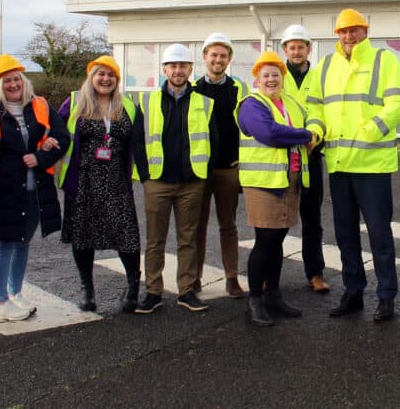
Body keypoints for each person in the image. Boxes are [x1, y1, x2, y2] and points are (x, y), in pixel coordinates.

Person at [304, 8, 400, 322]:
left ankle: (386, 296)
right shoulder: (325, 66)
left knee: (379, 235)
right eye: (343, 31)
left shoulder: (383, 60)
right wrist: (316, 130)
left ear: (365, 30)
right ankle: (353, 292)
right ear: (337, 34)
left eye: (354, 30)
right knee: (345, 234)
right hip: (338, 164)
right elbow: (315, 107)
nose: (348, 36)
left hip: (372, 163)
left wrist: (372, 128)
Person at [0, 54, 69, 322]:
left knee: (23, 243)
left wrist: (40, 157)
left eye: (16, 78)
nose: (13, 84)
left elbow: (62, 137)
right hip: (0, 191)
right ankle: (0, 302)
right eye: (7, 80)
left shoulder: (39, 105)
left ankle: (15, 294)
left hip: (34, 190)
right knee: (3, 246)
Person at [57, 56, 146, 314]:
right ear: (91, 77)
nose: (105, 79)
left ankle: (132, 288)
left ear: (116, 80)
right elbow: (55, 132)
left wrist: (146, 174)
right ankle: (87, 288)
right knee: (82, 235)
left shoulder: (128, 104)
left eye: (110, 75)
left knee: (127, 235)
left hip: (117, 180)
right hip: (83, 179)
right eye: (100, 74)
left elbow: (139, 141)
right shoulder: (75, 102)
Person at [236, 51, 318, 326]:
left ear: (283, 78)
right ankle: (254, 301)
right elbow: (268, 133)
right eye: (266, 75)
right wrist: (306, 135)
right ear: (257, 80)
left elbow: (310, 122)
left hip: (289, 178)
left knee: (277, 240)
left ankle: (273, 294)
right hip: (264, 183)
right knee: (265, 241)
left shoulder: (291, 105)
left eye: (276, 74)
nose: (271, 79)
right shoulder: (251, 103)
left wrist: (313, 130)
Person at [135, 43, 216, 313]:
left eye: (183, 66)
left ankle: (186, 291)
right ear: (164, 69)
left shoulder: (204, 103)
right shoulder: (147, 101)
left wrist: (201, 174)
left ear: (190, 69)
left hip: (191, 183)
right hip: (157, 181)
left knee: (188, 239)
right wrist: (146, 176)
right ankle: (153, 292)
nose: (178, 70)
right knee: (155, 240)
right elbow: (137, 141)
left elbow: (212, 141)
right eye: (173, 66)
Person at [192, 32, 248, 298]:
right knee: (197, 226)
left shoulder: (239, 90)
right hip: (199, 170)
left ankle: (231, 277)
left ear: (229, 59)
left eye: (223, 55)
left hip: (228, 167)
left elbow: (247, 128)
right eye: (213, 55)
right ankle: (195, 278)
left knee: (228, 225)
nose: (218, 59)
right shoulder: (192, 90)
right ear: (205, 57)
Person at [280, 24, 330, 294]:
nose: (296, 51)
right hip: (282, 157)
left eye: (301, 46)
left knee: (312, 219)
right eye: (292, 47)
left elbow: (321, 110)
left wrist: (315, 135)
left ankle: (315, 273)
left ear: (309, 48)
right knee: (277, 219)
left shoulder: (320, 76)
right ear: (284, 50)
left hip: (311, 154)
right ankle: (268, 275)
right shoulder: (276, 74)